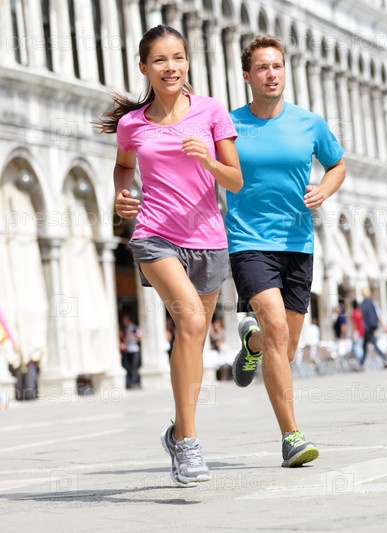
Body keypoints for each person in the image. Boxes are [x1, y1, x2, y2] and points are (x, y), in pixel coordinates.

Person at [95, 25, 243, 487]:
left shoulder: (211, 112)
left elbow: (235, 180)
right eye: (160, 60)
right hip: (155, 236)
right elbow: (123, 168)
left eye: (178, 57)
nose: (171, 67)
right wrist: (122, 197)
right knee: (193, 324)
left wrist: (208, 161)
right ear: (144, 68)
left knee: (192, 343)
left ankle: (177, 433)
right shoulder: (132, 124)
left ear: (187, 63)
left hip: (209, 239)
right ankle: (191, 443)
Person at [225, 35, 345, 467]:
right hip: (248, 241)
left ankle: (250, 343)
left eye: (276, 66)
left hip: (298, 243)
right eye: (262, 67)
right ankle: (291, 436)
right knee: (277, 326)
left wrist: (324, 191)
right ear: (247, 76)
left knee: (285, 348)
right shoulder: (229, 124)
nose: (271, 74)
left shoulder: (309, 123)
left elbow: (337, 164)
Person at [359, 287, 387, 368]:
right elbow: (378, 314)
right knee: (367, 345)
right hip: (372, 326)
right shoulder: (372, 302)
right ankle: (385, 360)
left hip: (366, 328)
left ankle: (362, 364)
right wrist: (384, 325)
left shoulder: (362, 304)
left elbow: (362, 318)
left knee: (369, 345)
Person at [120, 314, 142, 389]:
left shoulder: (135, 328)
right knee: (128, 366)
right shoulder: (126, 329)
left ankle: (134, 382)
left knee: (134, 366)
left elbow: (140, 338)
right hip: (128, 350)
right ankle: (130, 381)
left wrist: (132, 335)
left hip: (135, 349)